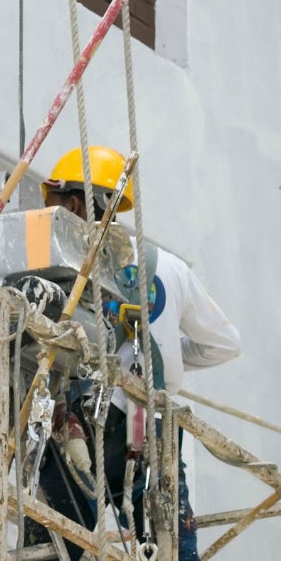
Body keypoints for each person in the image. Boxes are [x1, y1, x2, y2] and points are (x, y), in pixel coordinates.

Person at [29, 146, 241, 560]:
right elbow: (225, 344)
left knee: (50, 538)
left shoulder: (70, 257)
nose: (51, 221)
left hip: (91, 420)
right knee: (171, 547)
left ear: (73, 203)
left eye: (54, 209)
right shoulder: (171, 268)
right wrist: (165, 362)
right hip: (156, 429)